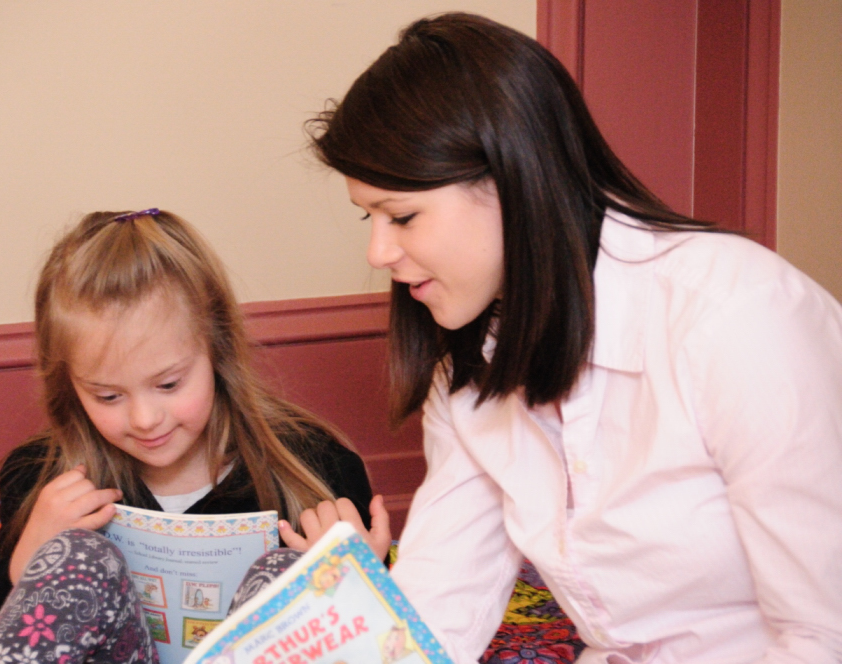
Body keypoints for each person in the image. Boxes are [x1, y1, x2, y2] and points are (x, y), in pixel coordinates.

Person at [298, 12, 842, 664]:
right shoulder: (472, 369)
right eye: (369, 217)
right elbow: (435, 612)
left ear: (512, 178)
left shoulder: (740, 320)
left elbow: (824, 635)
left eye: (403, 216)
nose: (378, 250)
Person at [0, 209, 380, 661]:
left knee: (286, 571)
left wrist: (361, 580)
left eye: (169, 384)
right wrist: (28, 562)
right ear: (69, 384)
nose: (145, 419)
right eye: (108, 396)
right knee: (73, 555)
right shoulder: (40, 477)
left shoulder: (316, 467)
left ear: (217, 349)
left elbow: (379, 643)